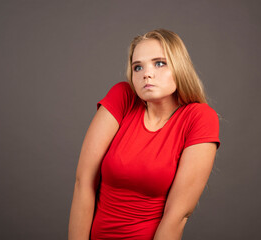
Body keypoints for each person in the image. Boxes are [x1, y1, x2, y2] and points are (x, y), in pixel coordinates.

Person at [68, 28, 220, 240]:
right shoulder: (123, 97)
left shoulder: (199, 117)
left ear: (179, 66)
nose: (146, 73)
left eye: (159, 63)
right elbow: (83, 182)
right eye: (138, 67)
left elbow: (177, 215)